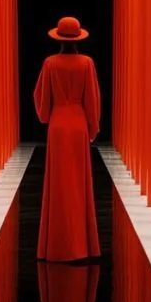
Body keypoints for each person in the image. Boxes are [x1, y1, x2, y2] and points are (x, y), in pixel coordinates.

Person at [33, 15, 101, 262]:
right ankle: (81, 246)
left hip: (58, 123)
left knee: (59, 183)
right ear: (78, 38)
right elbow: (92, 98)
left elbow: (41, 99)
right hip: (78, 123)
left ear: (58, 38)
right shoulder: (87, 63)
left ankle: (56, 246)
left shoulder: (50, 63)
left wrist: (45, 115)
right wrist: (93, 127)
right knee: (78, 183)